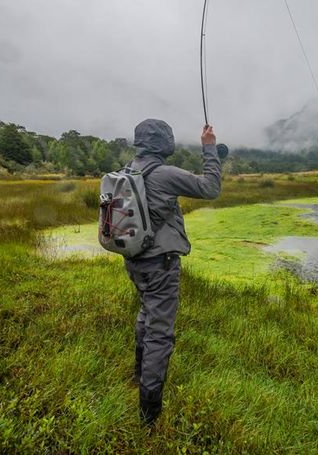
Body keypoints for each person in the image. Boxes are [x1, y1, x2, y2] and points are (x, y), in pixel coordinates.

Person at [125, 118, 221, 427]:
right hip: (160, 265)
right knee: (160, 333)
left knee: (145, 314)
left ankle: (138, 375)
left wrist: (215, 157)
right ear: (166, 143)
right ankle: (149, 415)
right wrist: (209, 148)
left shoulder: (130, 169)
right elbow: (210, 188)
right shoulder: (165, 174)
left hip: (134, 260)